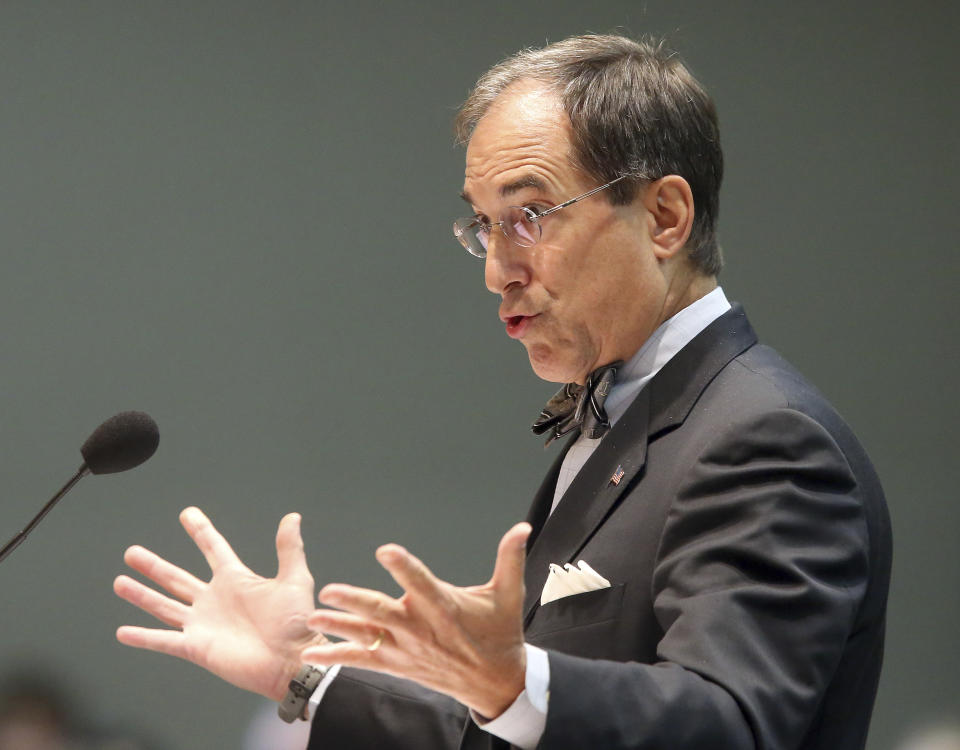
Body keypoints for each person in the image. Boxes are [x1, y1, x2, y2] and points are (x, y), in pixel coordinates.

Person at [113, 34, 891, 750]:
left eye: (529, 217)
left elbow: (736, 724)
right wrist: (302, 676)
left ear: (664, 216)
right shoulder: (630, 417)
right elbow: (513, 732)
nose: (496, 270)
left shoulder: (763, 438)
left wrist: (519, 680)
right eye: (483, 226)